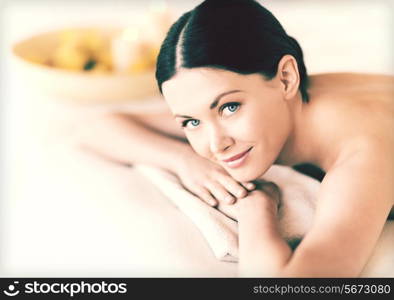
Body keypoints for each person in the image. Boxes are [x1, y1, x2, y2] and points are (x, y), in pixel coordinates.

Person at [79, 0, 394, 277]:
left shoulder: (362, 154)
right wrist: (184, 161)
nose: (215, 145)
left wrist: (256, 206)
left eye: (229, 107)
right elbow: (96, 126)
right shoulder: (276, 98)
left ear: (287, 78)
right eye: (190, 122)